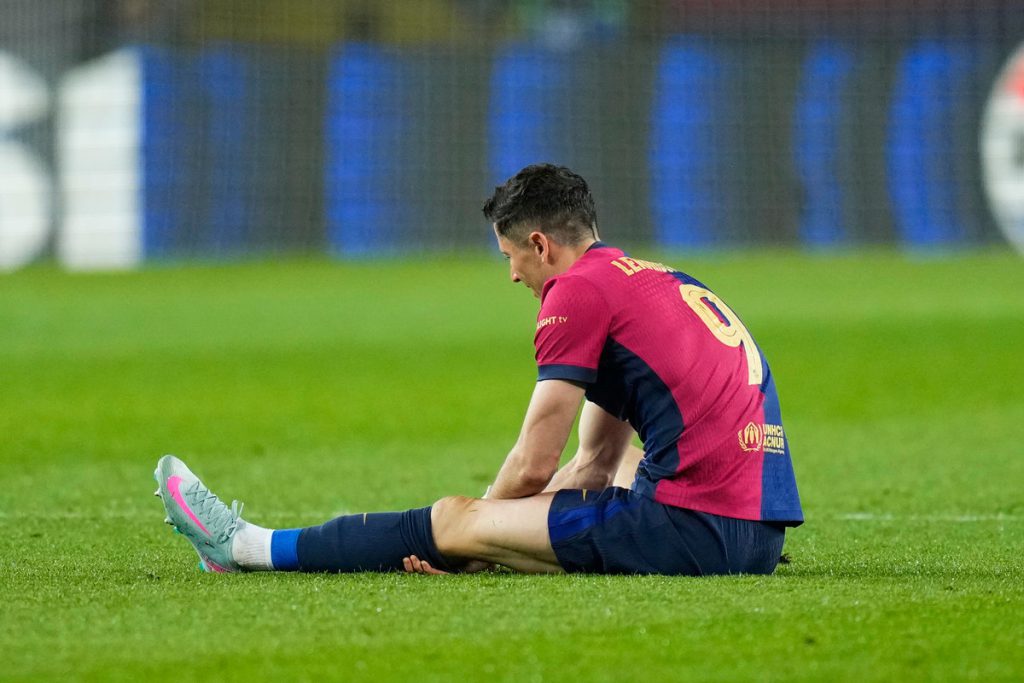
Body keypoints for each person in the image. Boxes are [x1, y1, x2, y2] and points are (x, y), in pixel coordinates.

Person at [154, 163, 802, 576]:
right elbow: (598, 463)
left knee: (453, 516)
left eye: (511, 256)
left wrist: (467, 533)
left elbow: (534, 466)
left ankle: (245, 546)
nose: (513, 274)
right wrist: (501, 539)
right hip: (756, 534)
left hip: (694, 529)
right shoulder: (653, 279)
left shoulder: (577, 292)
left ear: (540, 243)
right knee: (620, 470)